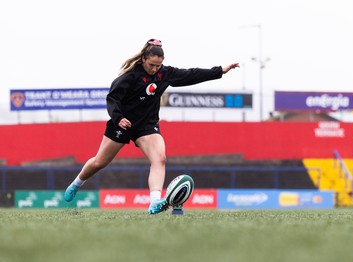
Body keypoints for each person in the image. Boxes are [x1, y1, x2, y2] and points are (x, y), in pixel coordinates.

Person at [64, 38, 239, 214]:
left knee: (160, 159)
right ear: (144, 60)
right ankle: (76, 184)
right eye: (151, 65)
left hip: (146, 125)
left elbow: (191, 74)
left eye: (158, 65)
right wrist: (118, 118)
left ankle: (154, 202)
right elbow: (113, 99)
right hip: (123, 123)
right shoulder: (129, 77)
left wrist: (220, 71)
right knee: (99, 162)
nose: (154, 69)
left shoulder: (165, 73)